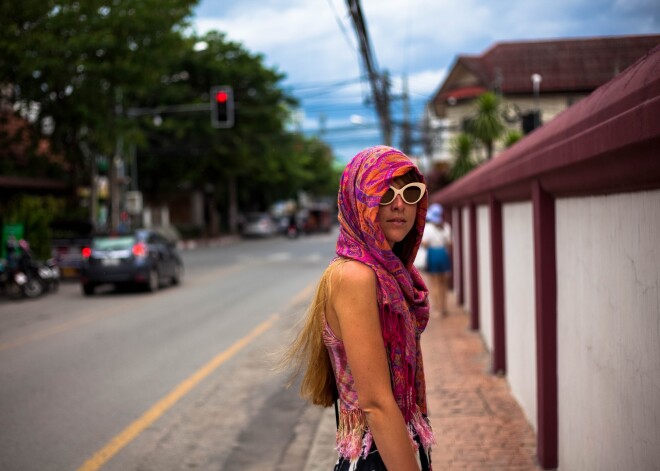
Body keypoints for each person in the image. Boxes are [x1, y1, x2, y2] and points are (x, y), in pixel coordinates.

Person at [281, 145, 435, 470]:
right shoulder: (355, 275)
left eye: (410, 192)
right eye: (383, 192)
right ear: (358, 201)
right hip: (378, 458)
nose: (399, 204)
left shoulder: (395, 273)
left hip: (398, 446)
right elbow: (377, 404)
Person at [421, 204, 452, 317]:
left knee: (434, 283)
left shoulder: (428, 228)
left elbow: (425, 244)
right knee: (444, 283)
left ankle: (438, 308)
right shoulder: (446, 226)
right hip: (443, 254)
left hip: (433, 254)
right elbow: (449, 243)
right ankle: (444, 307)